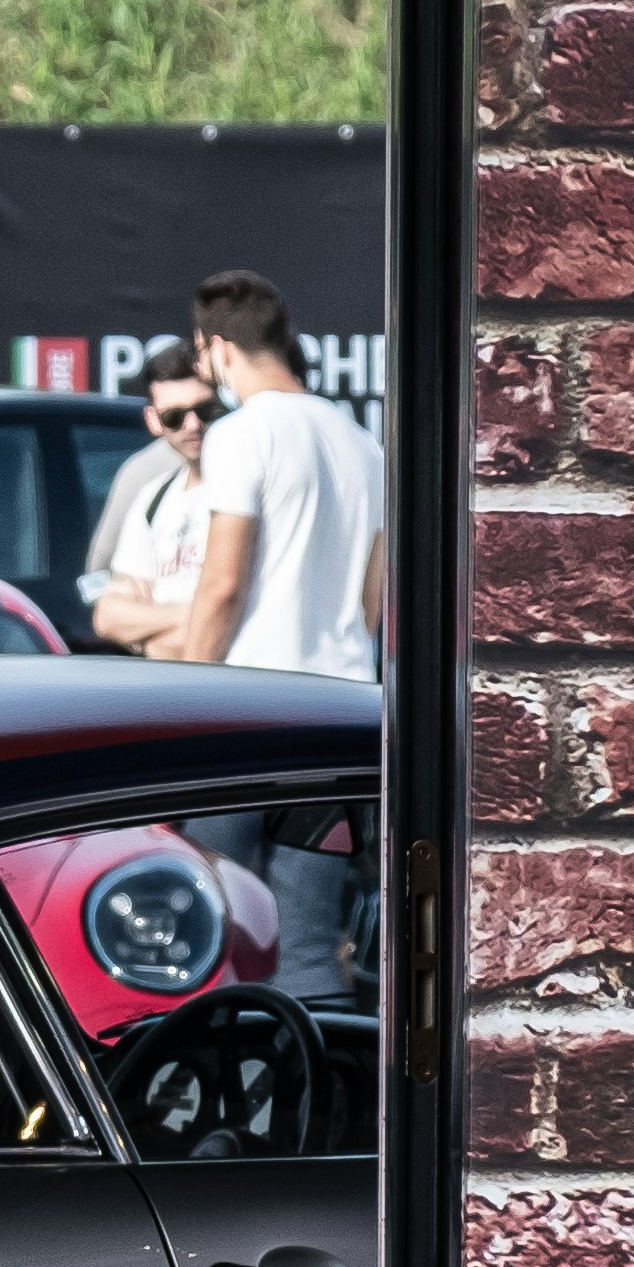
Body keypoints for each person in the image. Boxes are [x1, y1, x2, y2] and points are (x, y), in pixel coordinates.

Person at [159, 268, 383, 997]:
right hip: (337, 721)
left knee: (209, 934)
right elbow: (372, 601)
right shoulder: (360, 443)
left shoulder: (239, 435)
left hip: (246, 719)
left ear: (216, 349)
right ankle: (322, 1104)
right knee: (310, 946)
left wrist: (183, 700)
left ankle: (214, 1101)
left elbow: (221, 585)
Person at [89, 346, 216, 657]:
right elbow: (107, 616)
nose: (192, 425)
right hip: (172, 696)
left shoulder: (246, 487)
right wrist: (192, 616)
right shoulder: (154, 497)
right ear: (153, 421)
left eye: (204, 410)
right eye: (173, 417)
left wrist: (153, 634)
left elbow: (235, 615)